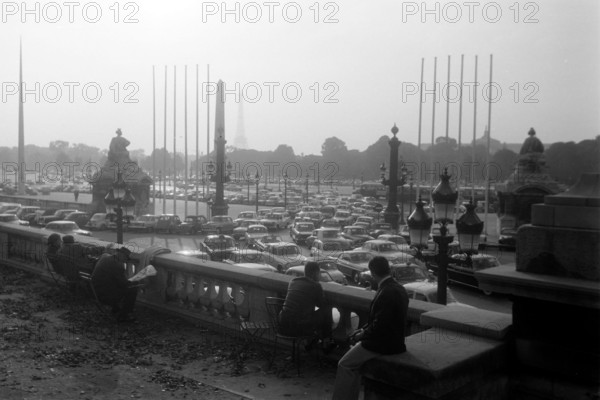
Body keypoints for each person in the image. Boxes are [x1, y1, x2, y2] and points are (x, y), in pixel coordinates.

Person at [332, 256, 409, 400]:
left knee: (345, 364)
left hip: (383, 344)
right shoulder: (399, 289)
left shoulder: (385, 292)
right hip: (396, 341)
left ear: (373, 273)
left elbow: (379, 326)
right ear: (389, 270)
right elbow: (380, 321)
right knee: (353, 363)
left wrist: (361, 335)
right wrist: (362, 330)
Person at [279, 261, 333, 347]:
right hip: (298, 327)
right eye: (319, 273)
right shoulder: (316, 286)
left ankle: (314, 341)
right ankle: (326, 342)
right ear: (315, 273)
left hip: (283, 324)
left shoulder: (293, 281)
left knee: (309, 314)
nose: (320, 276)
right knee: (327, 310)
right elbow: (322, 305)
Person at [91, 247, 138, 322]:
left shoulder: (105, 257)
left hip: (95, 291)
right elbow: (124, 284)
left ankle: (115, 309)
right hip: (104, 295)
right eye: (126, 258)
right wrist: (135, 281)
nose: (125, 261)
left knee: (115, 285)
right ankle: (124, 315)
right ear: (122, 255)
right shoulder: (117, 265)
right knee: (133, 290)